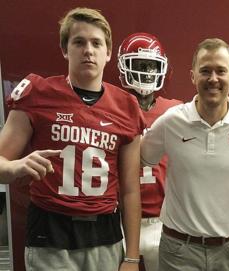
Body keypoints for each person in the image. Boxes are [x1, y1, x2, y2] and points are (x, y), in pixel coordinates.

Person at [0, 7, 144, 271]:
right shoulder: (38, 94)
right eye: (79, 42)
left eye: (96, 43)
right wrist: (13, 167)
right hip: (50, 232)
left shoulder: (127, 106)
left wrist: (132, 257)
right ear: (65, 50)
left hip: (104, 234)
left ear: (108, 53)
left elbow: (131, 190)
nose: (88, 50)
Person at [140, 38, 229, 271]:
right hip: (178, 250)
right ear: (193, 76)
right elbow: (137, 158)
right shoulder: (171, 121)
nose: (213, 79)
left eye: (221, 71)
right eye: (205, 71)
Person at [118, 32, 182, 271]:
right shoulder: (111, 106)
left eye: (151, 65)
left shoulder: (176, 110)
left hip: (163, 218)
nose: (145, 71)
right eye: (139, 64)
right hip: (120, 218)